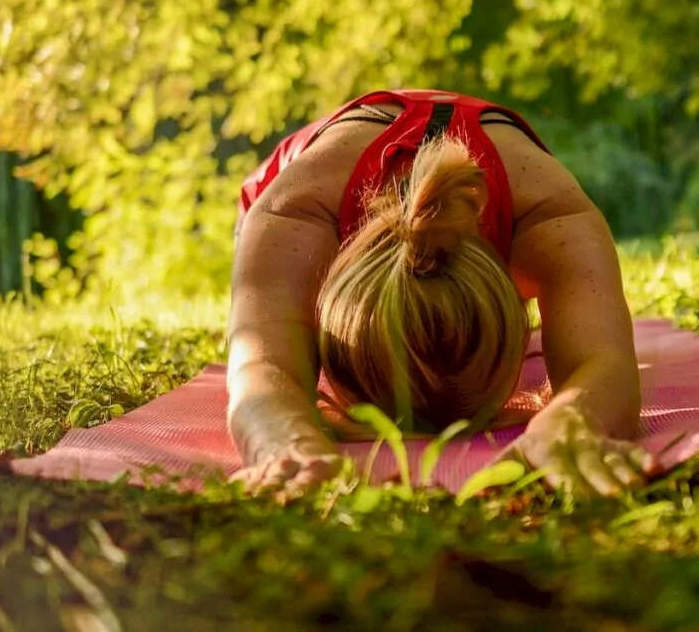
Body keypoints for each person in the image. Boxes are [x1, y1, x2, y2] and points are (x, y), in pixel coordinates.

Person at [227, 89, 654, 498]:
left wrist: (572, 420)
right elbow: (259, 368)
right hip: (301, 190)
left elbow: (606, 362)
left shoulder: (549, 214)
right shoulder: (294, 211)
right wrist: (284, 440)